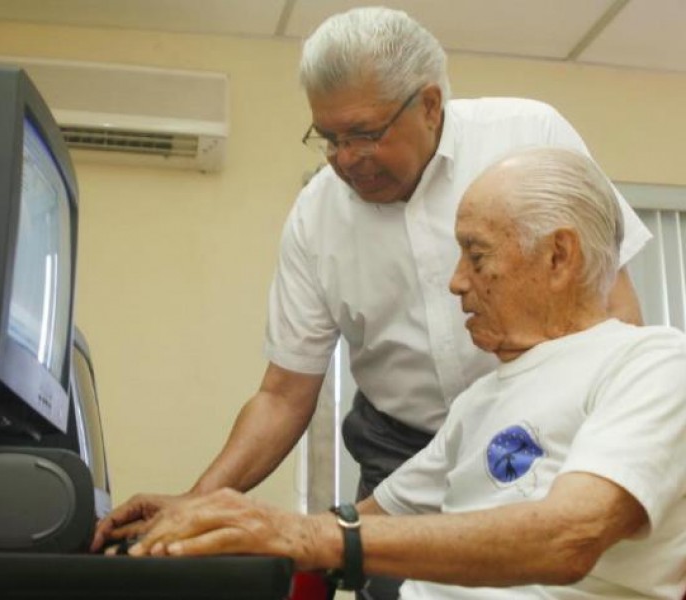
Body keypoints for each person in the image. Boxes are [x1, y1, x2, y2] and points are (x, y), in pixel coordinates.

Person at [96, 7, 652, 598]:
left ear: (430, 105)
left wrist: (602, 433)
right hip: (404, 446)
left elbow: (611, 308)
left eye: (363, 134)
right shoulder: (317, 215)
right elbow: (284, 394)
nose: (343, 157)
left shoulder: (527, 140)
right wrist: (201, 505)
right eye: (329, 138)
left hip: (546, 428)